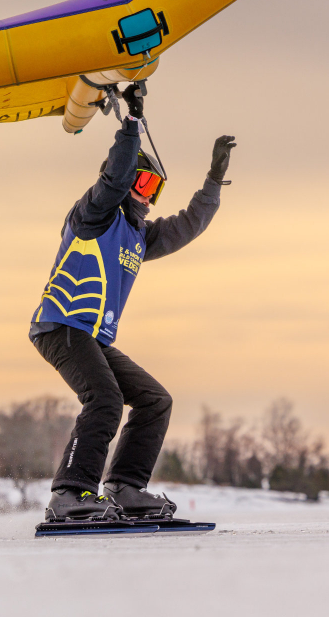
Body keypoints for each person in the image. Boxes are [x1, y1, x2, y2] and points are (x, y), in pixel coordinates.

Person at [30, 83, 235, 521]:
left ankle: (124, 487)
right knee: (104, 399)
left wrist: (213, 182)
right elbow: (114, 177)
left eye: (154, 187)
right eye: (142, 180)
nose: (146, 191)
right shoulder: (95, 213)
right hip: (60, 324)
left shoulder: (141, 236)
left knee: (154, 399)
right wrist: (132, 124)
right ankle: (69, 495)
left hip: (91, 336)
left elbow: (188, 225)